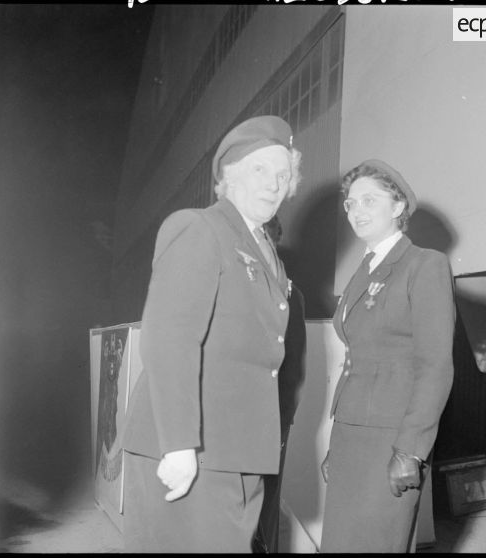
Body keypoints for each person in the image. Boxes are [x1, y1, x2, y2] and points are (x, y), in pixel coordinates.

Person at [121, 115, 302, 553]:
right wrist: (179, 444)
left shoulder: (263, 249)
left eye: (283, 174)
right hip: (194, 451)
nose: (274, 183)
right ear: (229, 173)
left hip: (238, 451)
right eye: (259, 168)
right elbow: (169, 339)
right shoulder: (199, 227)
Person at [320, 159, 455, 553]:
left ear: (397, 208)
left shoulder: (423, 265)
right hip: (352, 434)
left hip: (392, 437)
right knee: (343, 543)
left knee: (377, 543)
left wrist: (411, 449)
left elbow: (435, 366)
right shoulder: (364, 269)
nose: (356, 211)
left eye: (368, 200)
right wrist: (338, 441)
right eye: (350, 203)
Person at [253, 216, 307, 553]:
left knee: (265, 508)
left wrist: (281, 423)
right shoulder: (233, 282)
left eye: (267, 233)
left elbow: (294, 369)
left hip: (271, 419)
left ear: (278, 237)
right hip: (227, 422)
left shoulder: (291, 293)